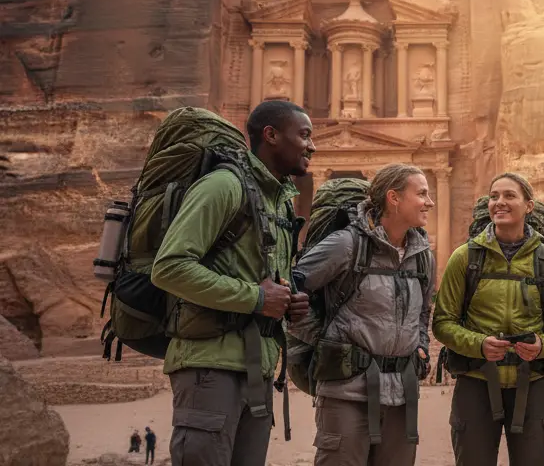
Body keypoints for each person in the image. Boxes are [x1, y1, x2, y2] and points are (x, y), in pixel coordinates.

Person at [151, 99, 314, 465]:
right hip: (210, 367)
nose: (311, 145)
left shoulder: (279, 202)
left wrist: (286, 302)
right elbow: (169, 268)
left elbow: (262, 281)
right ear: (271, 135)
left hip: (256, 369)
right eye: (303, 135)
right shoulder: (223, 186)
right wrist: (256, 298)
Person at [291, 163, 435, 466]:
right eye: (421, 194)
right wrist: (322, 339)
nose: (429, 202)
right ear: (394, 198)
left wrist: (421, 343)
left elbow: (423, 310)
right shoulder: (346, 244)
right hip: (347, 393)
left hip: (402, 395)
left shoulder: (423, 255)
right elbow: (290, 291)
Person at [434, 173, 544, 466]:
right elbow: (443, 322)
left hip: (533, 383)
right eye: (494, 196)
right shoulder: (464, 259)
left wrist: (542, 344)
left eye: (510, 196)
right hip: (475, 382)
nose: (500, 202)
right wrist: (478, 344)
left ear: (529, 206)